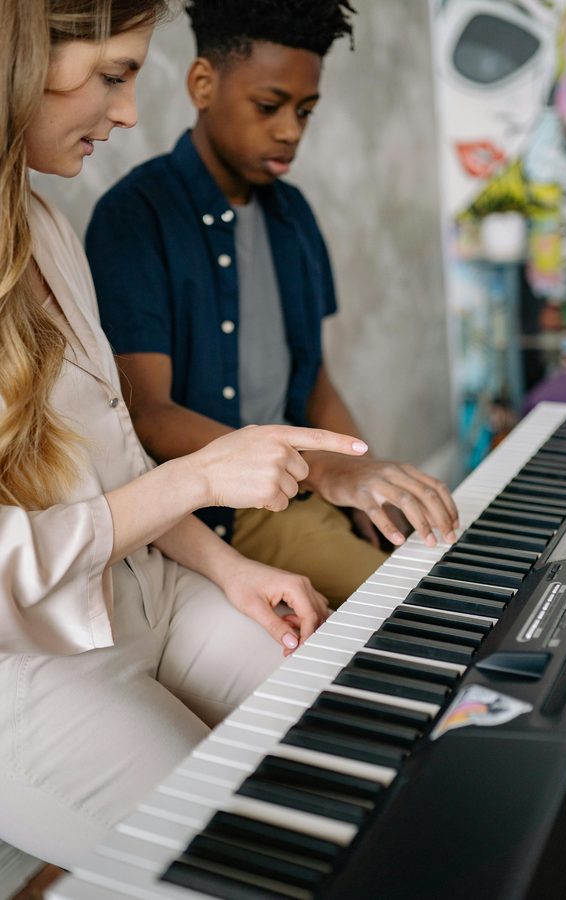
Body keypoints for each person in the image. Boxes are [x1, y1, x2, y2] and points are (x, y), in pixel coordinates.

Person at [0, 0, 371, 869]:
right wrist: (202, 476)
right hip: (26, 662)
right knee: (239, 861)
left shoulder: (47, 228)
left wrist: (231, 568)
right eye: (114, 76)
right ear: (15, 60)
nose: (129, 112)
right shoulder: (133, 215)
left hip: (147, 591)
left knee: (359, 743)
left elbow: (119, 457)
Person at [86, 0, 460, 609]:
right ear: (203, 83)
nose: (290, 130)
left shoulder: (293, 216)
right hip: (222, 516)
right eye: (269, 106)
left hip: (304, 489)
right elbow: (146, 412)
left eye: (305, 111)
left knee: (446, 563)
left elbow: (313, 381)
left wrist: (366, 477)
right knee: (423, 608)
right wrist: (324, 471)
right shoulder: (135, 216)